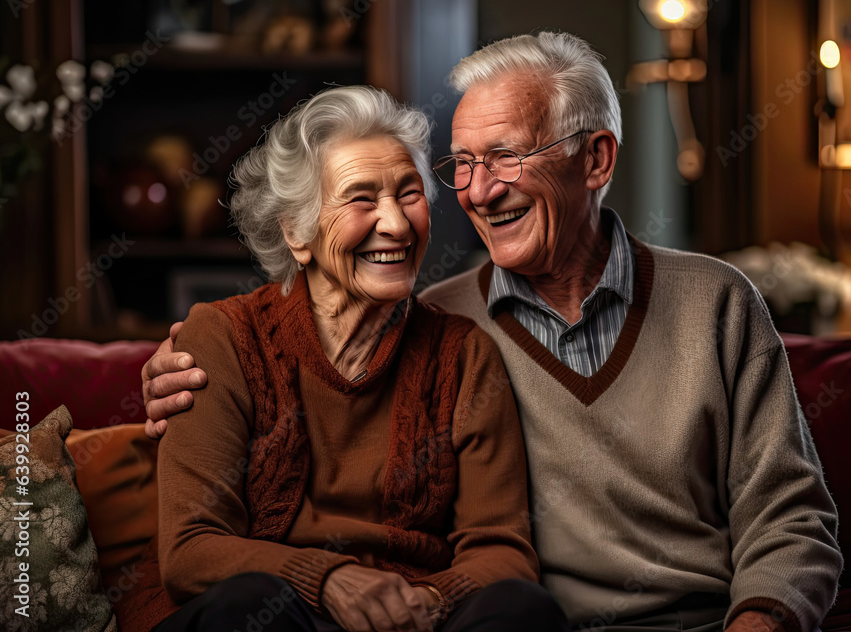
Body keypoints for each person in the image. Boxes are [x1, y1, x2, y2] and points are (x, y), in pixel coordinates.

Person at [142, 32, 844, 632]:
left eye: (505, 156)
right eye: (463, 165)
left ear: (596, 159)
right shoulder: (441, 317)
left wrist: (757, 622)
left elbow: (789, 515)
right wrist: (176, 367)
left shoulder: (714, 303)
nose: (477, 191)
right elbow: (199, 539)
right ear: (296, 231)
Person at [124, 85, 569, 632]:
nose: (397, 225)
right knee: (248, 610)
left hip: (409, 618)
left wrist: (428, 599)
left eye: (409, 194)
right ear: (297, 232)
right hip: (273, 611)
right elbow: (192, 551)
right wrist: (327, 579)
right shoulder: (223, 337)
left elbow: (503, 551)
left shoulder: (463, 354)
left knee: (524, 611)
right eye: (361, 198)